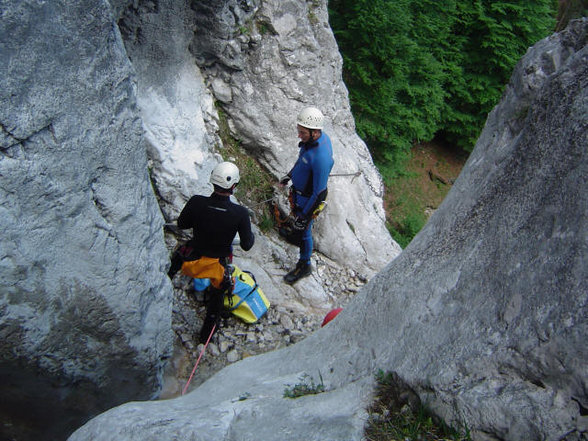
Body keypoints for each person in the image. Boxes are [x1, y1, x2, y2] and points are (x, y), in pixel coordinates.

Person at [168, 161, 255, 341]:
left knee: (175, 258)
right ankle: (206, 335)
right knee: (217, 298)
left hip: (190, 259)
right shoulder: (240, 213)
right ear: (233, 186)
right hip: (216, 267)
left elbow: (182, 224)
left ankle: (163, 282)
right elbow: (247, 244)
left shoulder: (197, 202)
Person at [279, 107, 334, 284]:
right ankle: (294, 234)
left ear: (315, 131)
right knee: (299, 225)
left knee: (305, 231)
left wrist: (305, 216)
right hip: (300, 195)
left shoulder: (321, 157)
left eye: (302, 132)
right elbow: (302, 161)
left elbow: (318, 192)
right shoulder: (312, 143)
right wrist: (289, 175)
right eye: (299, 130)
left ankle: (304, 265)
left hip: (310, 199)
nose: (299, 135)